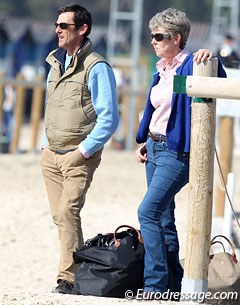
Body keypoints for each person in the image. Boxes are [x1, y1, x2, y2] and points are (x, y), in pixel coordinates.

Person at [135, 8, 226, 300]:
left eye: (158, 36)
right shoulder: (161, 68)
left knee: (147, 212)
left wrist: (212, 59)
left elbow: (219, 81)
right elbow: (159, 111)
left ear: (177, 38)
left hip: (177, 153)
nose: (153, 40)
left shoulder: (191, 64)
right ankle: (174, 286)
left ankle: (154, 286)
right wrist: (145, 140)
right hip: (154, 147)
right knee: (162, 218)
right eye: (151, 35)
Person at [40, 4, 119, 294]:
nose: (57, 30)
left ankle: (68, 278)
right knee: (61, 216)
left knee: (68, 212)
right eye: (56, 25)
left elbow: (109, 117)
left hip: (78, 156)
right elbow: (53, 108)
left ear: (82, 28)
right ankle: (79, 272)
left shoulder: (97, 67)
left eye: (64, 25)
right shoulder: (55, 64)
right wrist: (45, 146)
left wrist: (83, 151)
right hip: (51, 155)